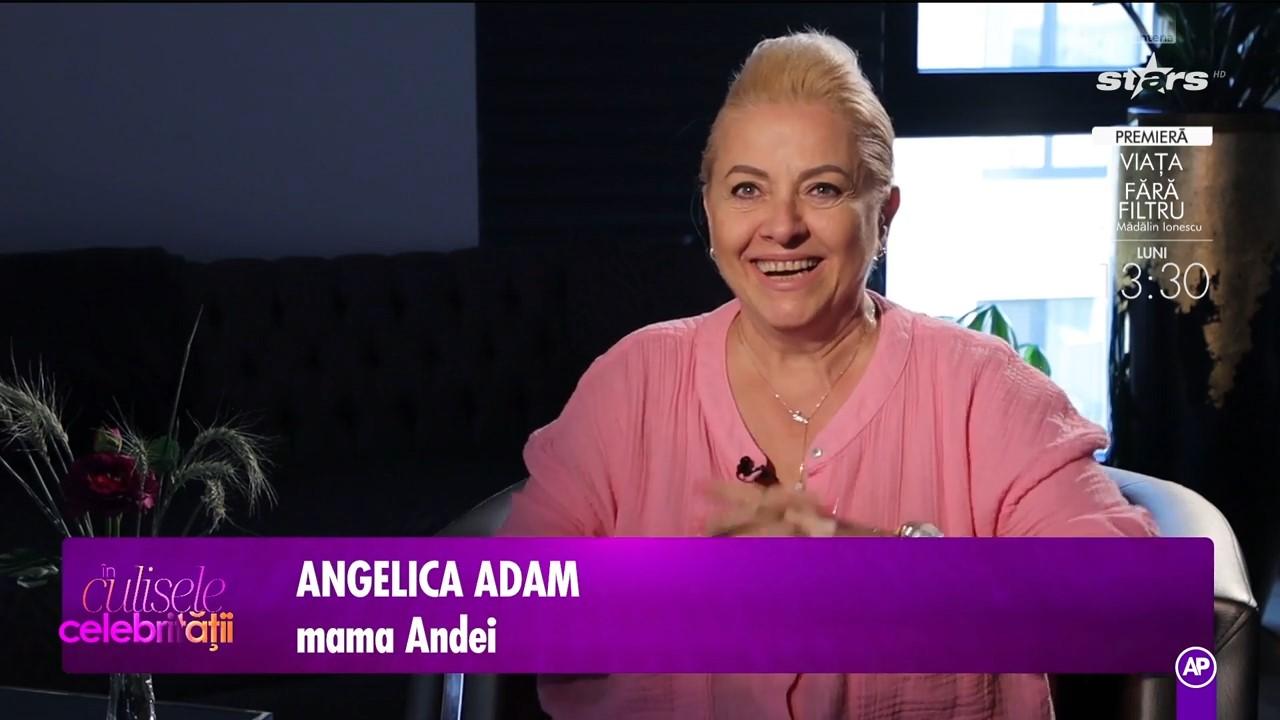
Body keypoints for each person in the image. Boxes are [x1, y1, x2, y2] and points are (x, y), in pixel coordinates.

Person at [499, 29, 1158, 719]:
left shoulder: (982, 390)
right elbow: (497, 609)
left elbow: (1140, 606)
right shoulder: (632, 382)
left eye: (822, 189)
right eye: (747, 189)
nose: (782, 227)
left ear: (884, 216)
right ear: (711, 210)